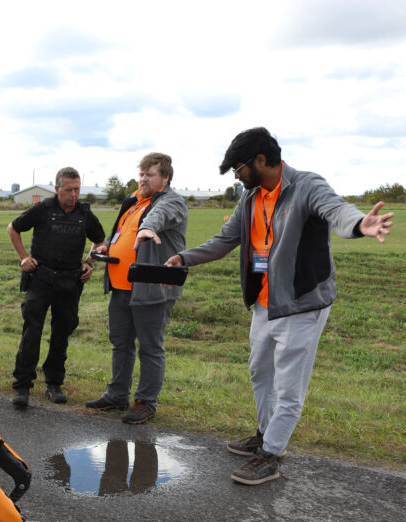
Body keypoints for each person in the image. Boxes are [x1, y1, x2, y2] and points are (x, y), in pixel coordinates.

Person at [166, 127, 393, 485]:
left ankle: (271, 454)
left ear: (260, 160)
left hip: (301, 305)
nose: (237, 177)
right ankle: (264, 433)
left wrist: (361, 224)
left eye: (239, 168)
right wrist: (184, 258)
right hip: (264, 304)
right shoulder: (252, 197)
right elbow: (225, 240)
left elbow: (337, 210)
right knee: (260, 372)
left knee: (289, 386)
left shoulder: (306, 185)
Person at [87, 153, 187, 425]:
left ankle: (145, 402)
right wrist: (107, 246)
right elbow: (121, 234)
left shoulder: (172, 201)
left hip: (152, 288)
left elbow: (158, 217)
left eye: (150, 174)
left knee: (150, 348)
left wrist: (147, 229)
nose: (143, 179)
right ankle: (117, 395)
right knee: (120, 344)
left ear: (165, 177)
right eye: (141, 174)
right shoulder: (132, 201)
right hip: (121, 287)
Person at [8, 167, 104, 407]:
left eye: (77, 190)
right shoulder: (43, 209)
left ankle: (53, 383)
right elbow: (13, 228)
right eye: (69, 190)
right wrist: (23, 257)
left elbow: (101, 240)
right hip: (41, 278)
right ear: (57, 188)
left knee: (62, 333)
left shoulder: (84, 214)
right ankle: (22, 385)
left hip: (70, 282)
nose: (74, 194)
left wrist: (89, 262)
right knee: (32, 332)